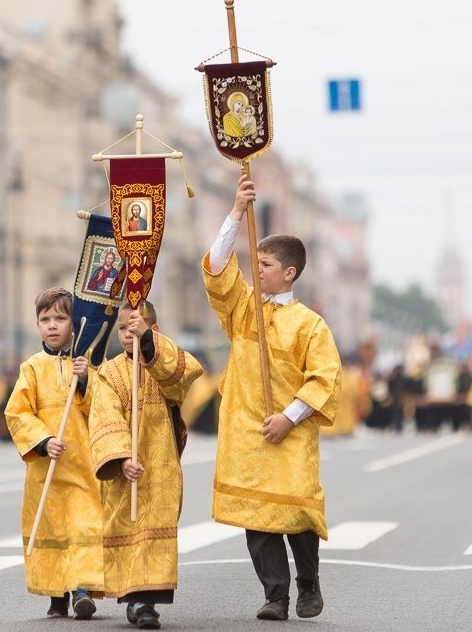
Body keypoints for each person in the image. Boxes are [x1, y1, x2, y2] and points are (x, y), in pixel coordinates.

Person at [202, 174, 341, 621]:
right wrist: (237, 212)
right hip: (246, 430)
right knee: (258, 519)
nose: (254, 268)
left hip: (291, 432)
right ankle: (275, 596)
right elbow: (218, 267)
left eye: (263, 263)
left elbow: (324, 380)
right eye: (255, 261)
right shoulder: (244, 308)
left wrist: (289, 417)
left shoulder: (310, 325)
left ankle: (308, 583)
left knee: (296, 513)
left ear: (289, 272)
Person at [89, 301, 202, 630]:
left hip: (160, 464)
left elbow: (184, 374)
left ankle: (147, 602)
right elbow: (103, 418)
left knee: (156, 529)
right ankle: (133, 597)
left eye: (133, 327)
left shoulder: (161, 363)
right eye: (122, 328)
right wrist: (122, 459)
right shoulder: (108, 372)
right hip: (126, 467)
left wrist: (150, 345)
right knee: (129, 525)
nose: (126, 334)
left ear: (152, 328)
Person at [4, 287, 105, 618]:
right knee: (52, 529)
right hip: (46, 468)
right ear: (37, 325)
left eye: (60, 318)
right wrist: (44, 440)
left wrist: (86, 381)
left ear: (73, 324)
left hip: (82, 465)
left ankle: (81, 589)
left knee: (84, 525)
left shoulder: (87, 365)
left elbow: (104, 408)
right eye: (45, 319)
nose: (52, 325)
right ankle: (57, 594)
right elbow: (17, 413)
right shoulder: (31, 368)